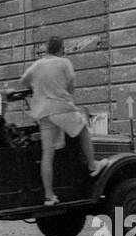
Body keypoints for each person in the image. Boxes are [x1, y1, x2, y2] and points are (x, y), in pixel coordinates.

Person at [18, 36, 102, 204]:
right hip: (62, 108)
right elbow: (71, 87)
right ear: (61, 49)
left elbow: (23, 81)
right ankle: (93, 165)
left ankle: (49, 196)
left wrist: (35, 89)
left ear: (47, 48)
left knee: (47, 153)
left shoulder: (37, 64)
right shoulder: (64, 63)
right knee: (83, 127)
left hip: (43, 112)